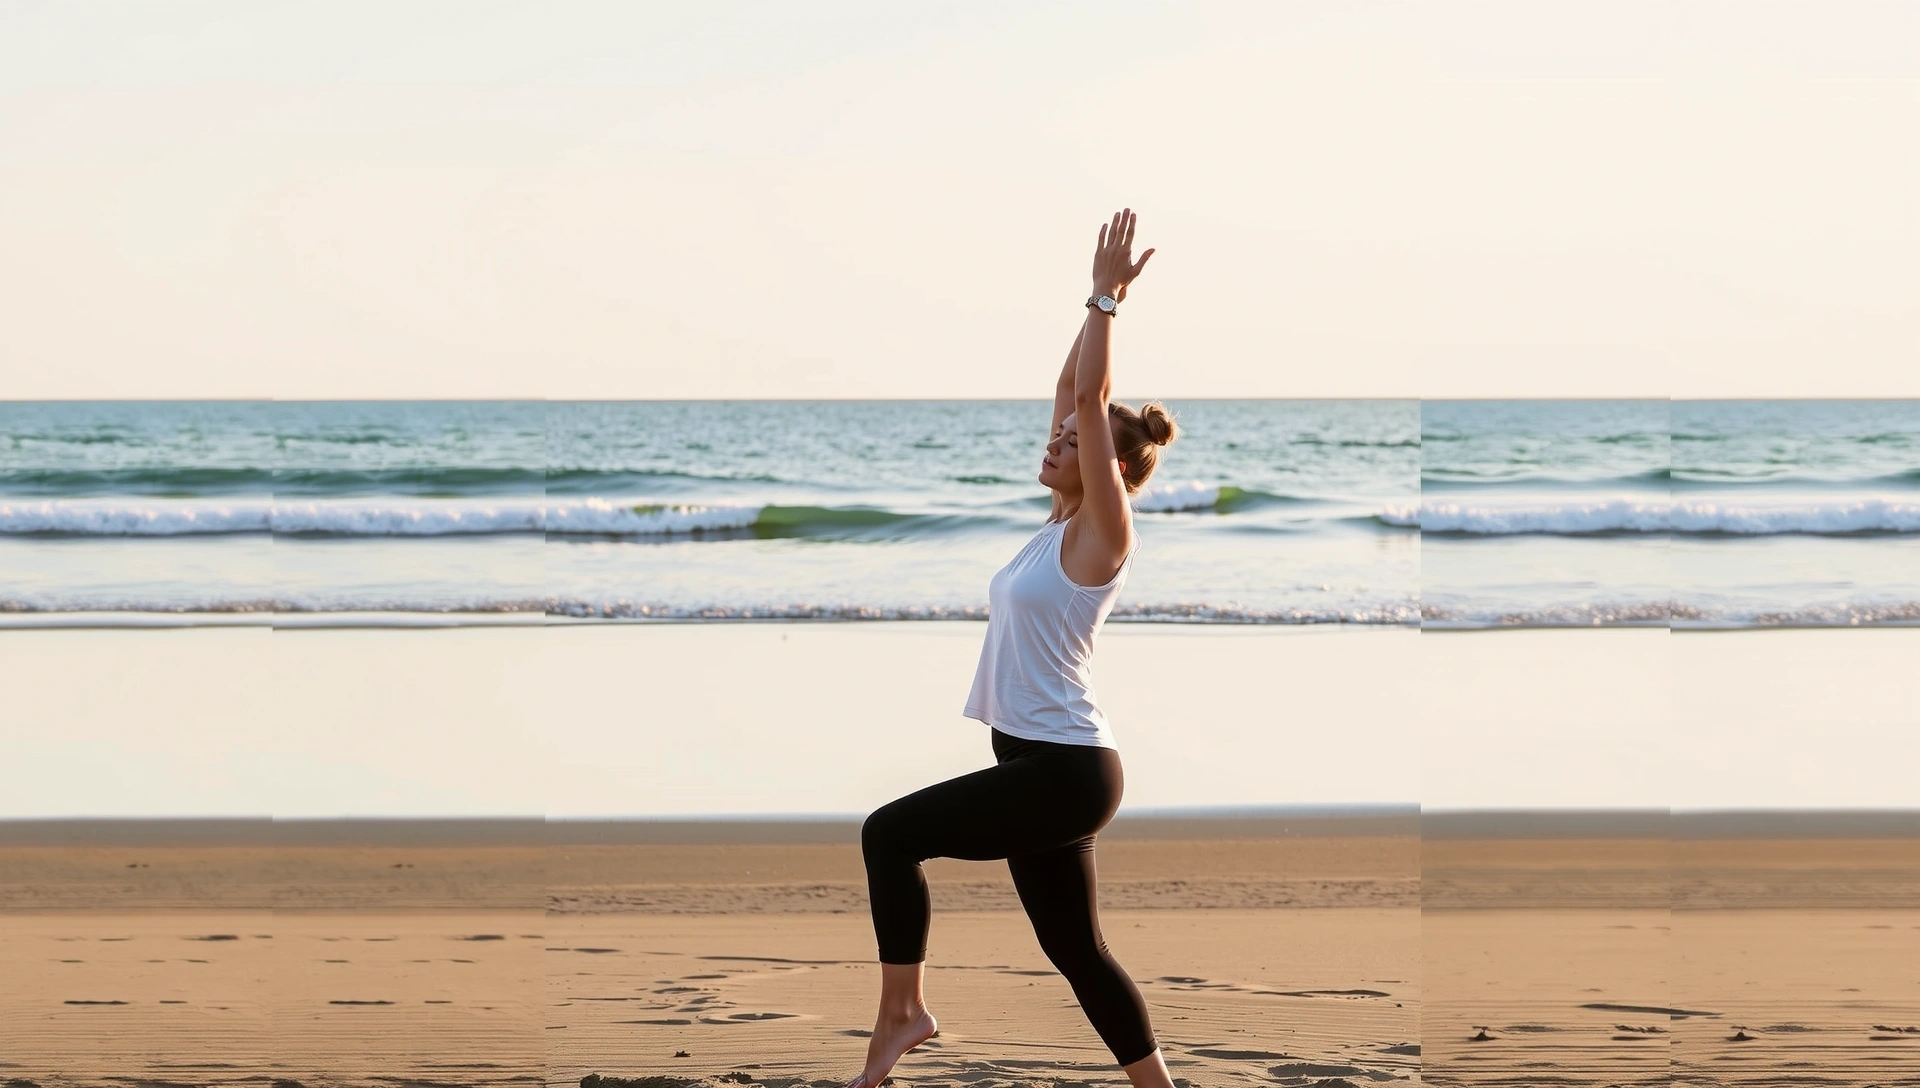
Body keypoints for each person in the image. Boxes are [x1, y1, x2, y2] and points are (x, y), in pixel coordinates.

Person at [848, 209, 1180, 1088]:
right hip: (1039, 761)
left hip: (1066, 770)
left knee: (888, 836)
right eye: (1059, 435)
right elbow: (1071, 386)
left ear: (1106, 467)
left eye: (1073, 443)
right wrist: (1091, 307)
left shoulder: (1104, 534)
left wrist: (1108, 299)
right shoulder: (1056, 525)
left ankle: (901, 1016)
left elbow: (1086, 399)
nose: (1056, 439)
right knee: (1079, 951)